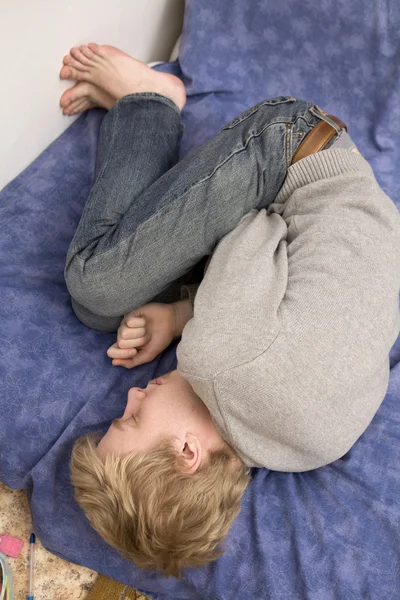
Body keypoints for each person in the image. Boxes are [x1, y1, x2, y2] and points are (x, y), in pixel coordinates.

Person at [63, 44, 400, 577]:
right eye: (131, 419)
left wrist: (182, 313)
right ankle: (153, 99)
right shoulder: (216, 360)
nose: (130, 394)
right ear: (187, 453)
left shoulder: (310, 449)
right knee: (97, 286)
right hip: (296, 149)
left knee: (105, 302)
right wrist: (182, 316)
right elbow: (258, 228)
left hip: (370, 219)